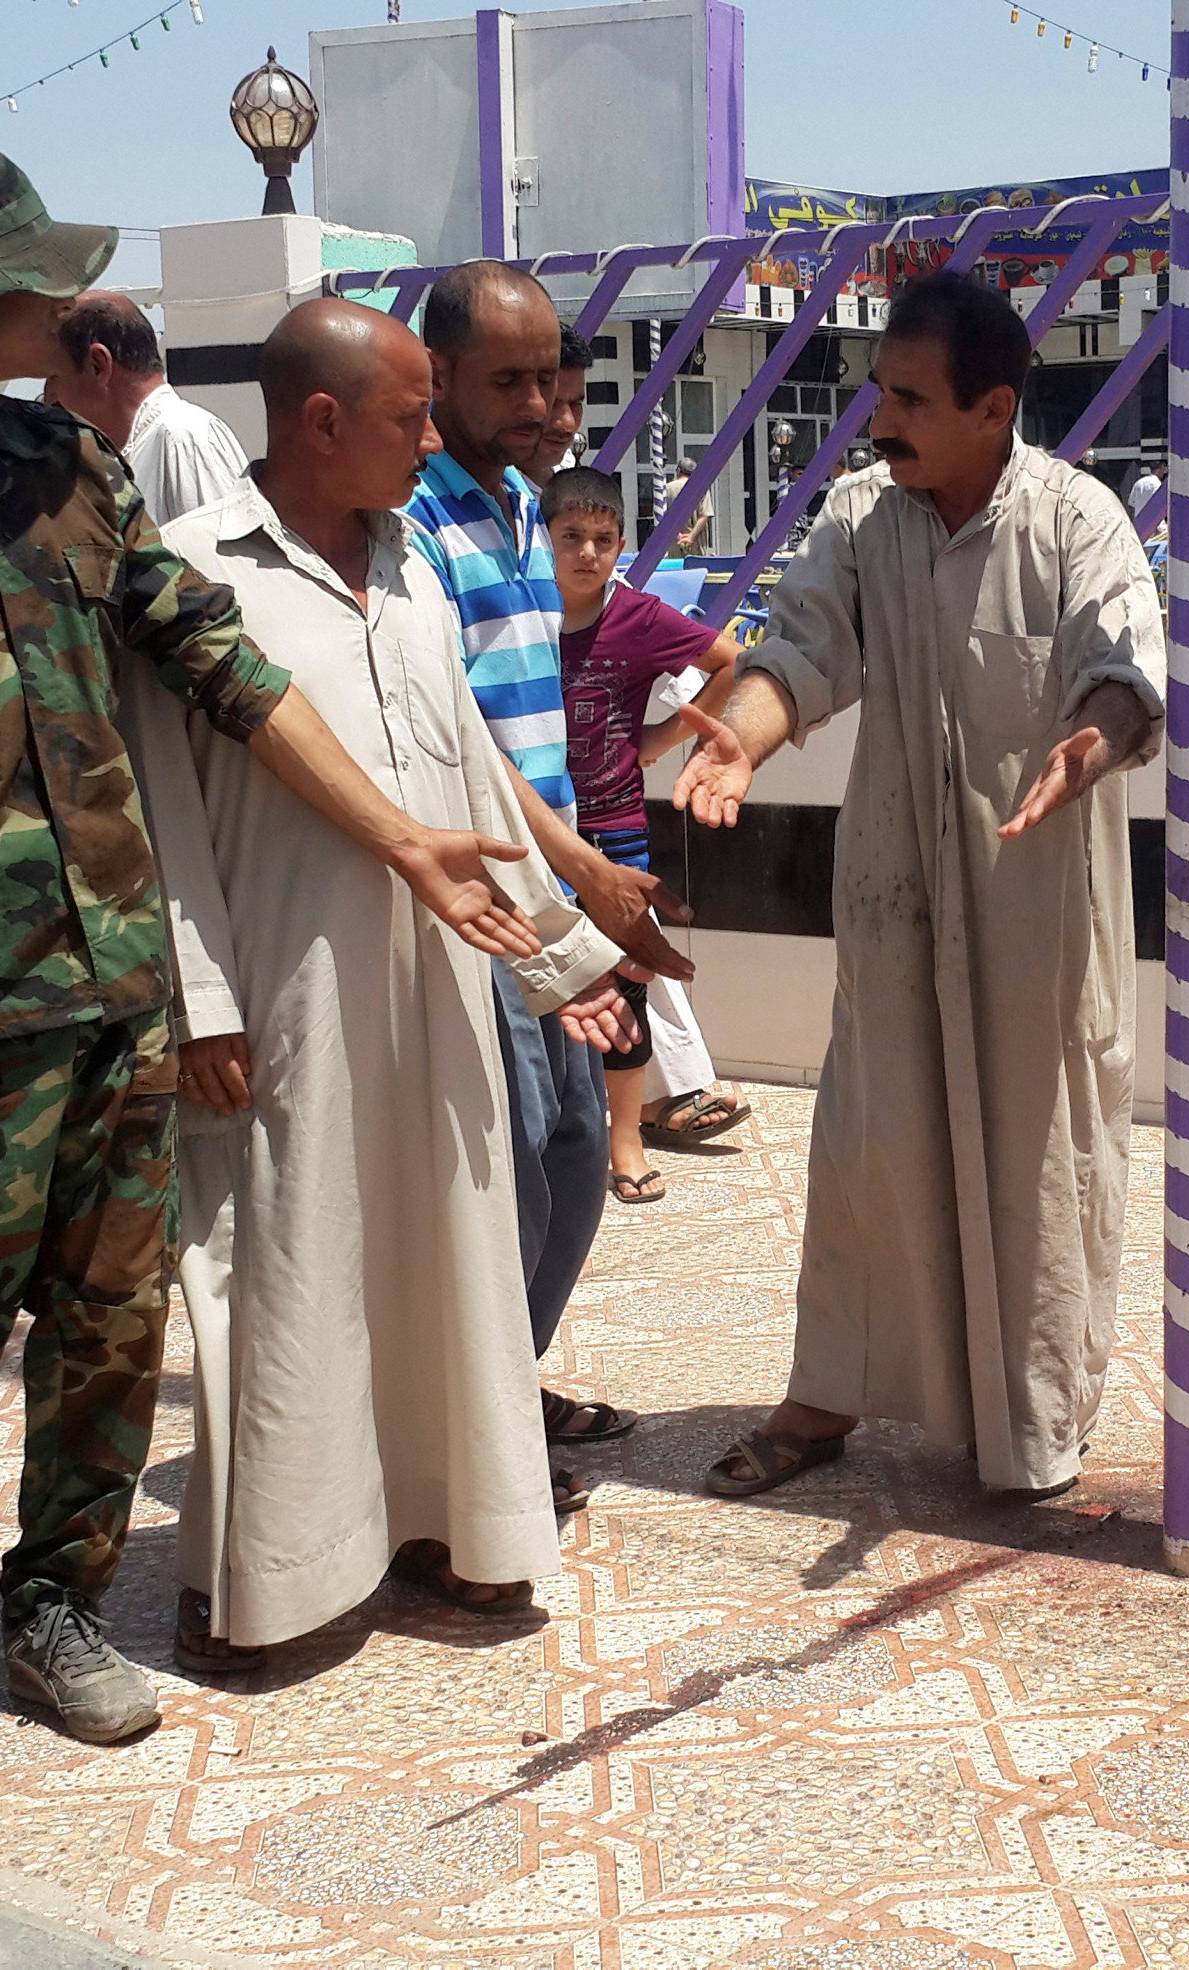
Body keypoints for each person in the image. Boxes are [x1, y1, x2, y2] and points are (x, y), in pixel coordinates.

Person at [0, 157, 544, 1743]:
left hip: (101, 987)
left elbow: (226, 668)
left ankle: (50, 1602)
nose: (58, 302)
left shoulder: (67, 469)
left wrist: (404, 841)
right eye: (34, 277)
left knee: (109, 1331)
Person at [121, 301, 643, 1670]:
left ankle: (446, 1525)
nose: (431, 437)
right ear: (322, 421)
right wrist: (203, 1000)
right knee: (284, 1271)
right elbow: (158, 813)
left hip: (439, 980)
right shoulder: (188, 572)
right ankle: (272, 1577)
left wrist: (558, 953)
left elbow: (469, 768)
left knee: (444, 1256)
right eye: (411, 414)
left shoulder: (409, 562)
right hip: (285, 983)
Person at [676, 273, 1165, 1503]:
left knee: (1044, 1159)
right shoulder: (859, 518)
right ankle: (824, 1395)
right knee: (867, 1146)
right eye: (876, 391)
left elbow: (1123, 668)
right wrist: (744, 733)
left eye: (908, 397)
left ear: (994, 406)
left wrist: (1090, 743)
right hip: (896, 907)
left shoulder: (1078, 522)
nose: (878, 419)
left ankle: (1031, 1429)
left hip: (1037, 920)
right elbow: (798, 650)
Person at [405, 261, 692, 1492]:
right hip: (491, 908)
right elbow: (455, 738)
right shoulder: (413, 524)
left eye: (549, 380)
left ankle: (495, 1400)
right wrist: (568, 866)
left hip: (559, 900)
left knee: (577, 1149)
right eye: (509, 381)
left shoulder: (523, 510)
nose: (542, 404)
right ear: (440, 381)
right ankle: (466, 1441)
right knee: (514, 1166)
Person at [543, 466, 744, 1203]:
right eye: (571, 538)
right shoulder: (522, 618)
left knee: (627, 988)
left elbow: (726, 661)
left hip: (614, 832)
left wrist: (661, 742)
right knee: (544, 998)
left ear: (621, 543)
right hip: (534, 835)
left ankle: (625, 1140)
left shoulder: (638, 617)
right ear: (546, 541)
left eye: (602, 539)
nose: (587, 554)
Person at [43, 291, 248, 525]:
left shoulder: (184, 439)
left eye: (55, 375)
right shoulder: (124, 450)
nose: (54, 396)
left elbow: (217, 557)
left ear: (97, 365)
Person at [528, 323, 593, 487]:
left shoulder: (571, 483)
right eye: (551, 402)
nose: (568, 423)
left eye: (576, 404)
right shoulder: (475, 494)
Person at [666, 453, 714, 555]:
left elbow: (664, 518)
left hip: (675, 545)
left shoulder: (668, 489)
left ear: (678, 471)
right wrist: (691, 537)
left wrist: (677, 535)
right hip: (697, 545)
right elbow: (705, 516)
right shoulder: (701, 488)